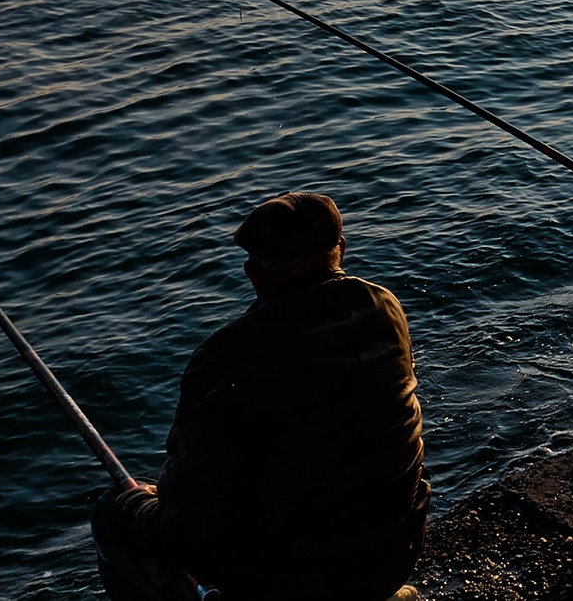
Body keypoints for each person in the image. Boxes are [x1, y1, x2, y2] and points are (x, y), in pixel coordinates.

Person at [92, 193, 428, 601]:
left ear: (254, 272)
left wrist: (138, 505)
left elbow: (190, 522)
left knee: (116, 512)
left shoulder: (224, 357)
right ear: (340, 250)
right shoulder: (385, 309)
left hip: (291, 581)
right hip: (393, 553)